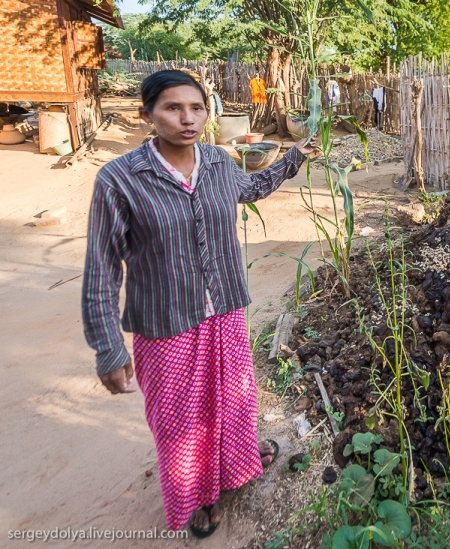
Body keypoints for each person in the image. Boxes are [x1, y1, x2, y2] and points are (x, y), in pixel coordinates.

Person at [81, 70, 315, 537]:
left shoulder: (218, 162)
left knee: (233, 399)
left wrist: (295, 157)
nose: (187, 119)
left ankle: (237, 463)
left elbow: (250, 189)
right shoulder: (120, 180)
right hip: (167, 324)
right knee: (179, 420)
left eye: (196, 108)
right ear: (147, 114)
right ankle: (198, 497)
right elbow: (102, 269)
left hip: (224, 310)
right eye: (172, 108)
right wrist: (107, 347)